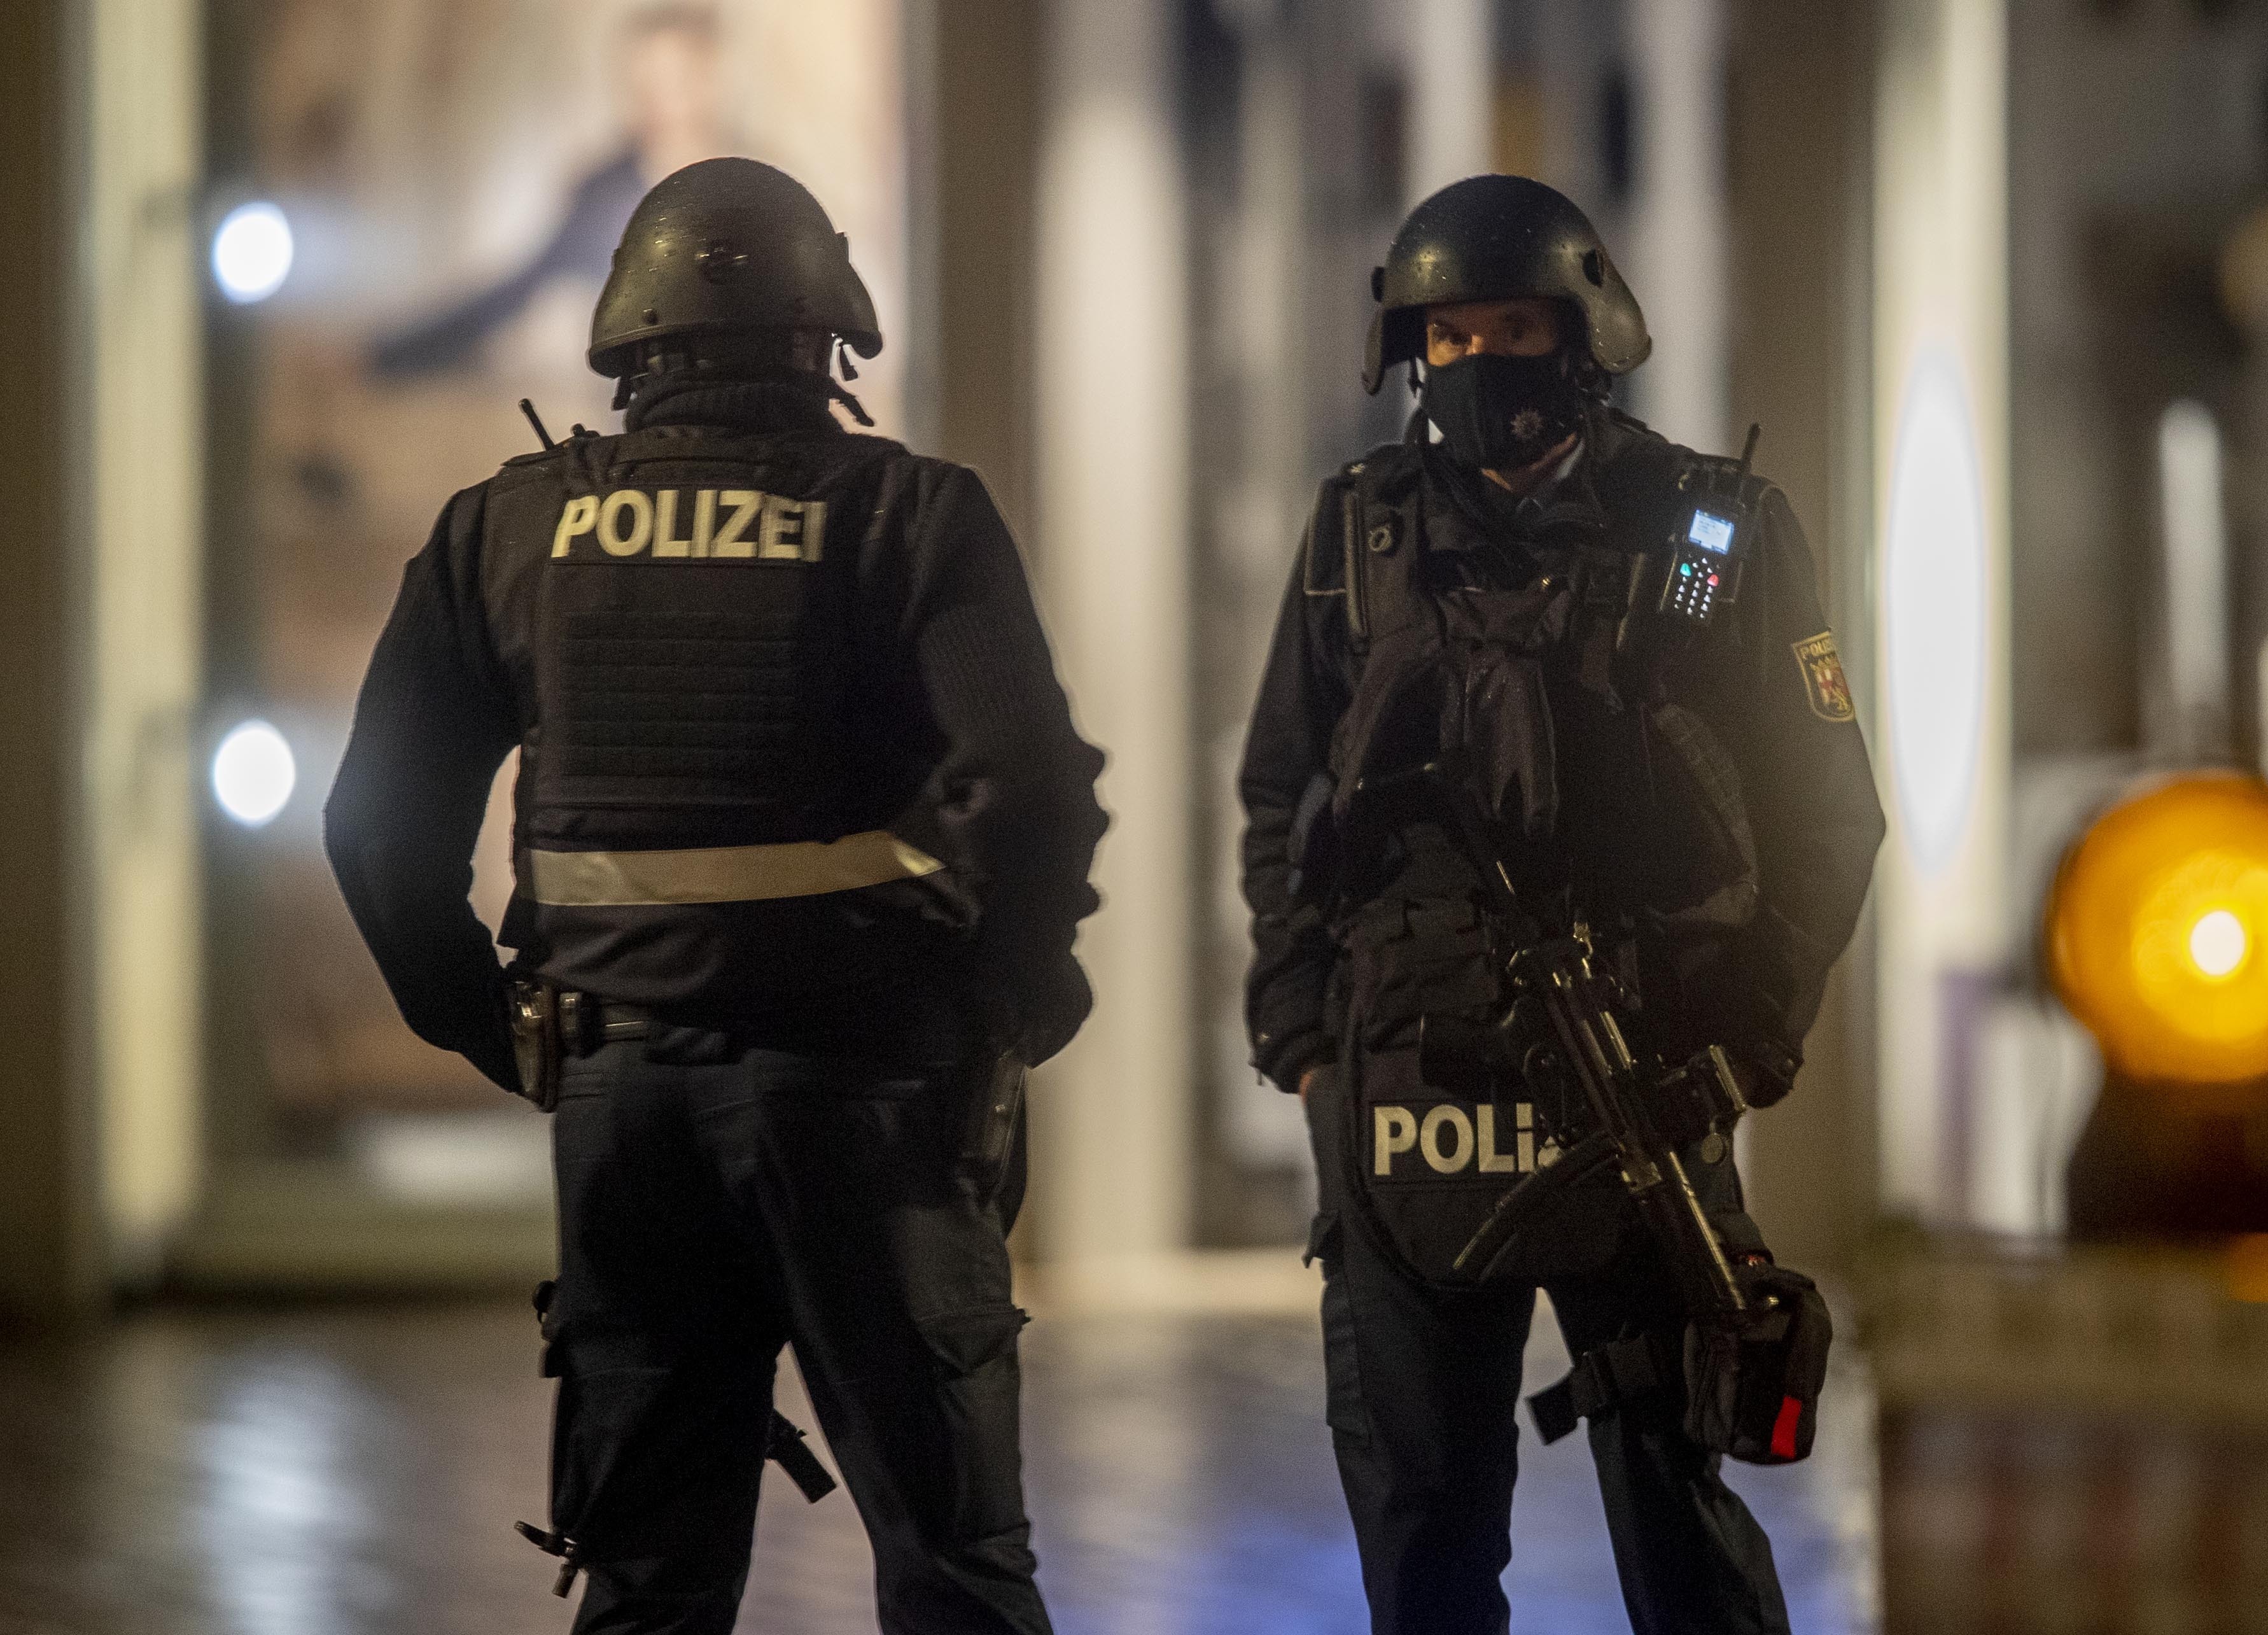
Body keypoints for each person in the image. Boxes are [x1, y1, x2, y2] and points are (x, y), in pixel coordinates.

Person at [326, 156, 1103, 1635]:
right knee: (952, 1567)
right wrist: (1008, 1002)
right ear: (827, 339)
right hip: (871, 1101)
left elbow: (375, 833)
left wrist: (500, 1033)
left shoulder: (508, 528)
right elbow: (1032, 792)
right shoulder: (908, 514)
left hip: (620, 1107)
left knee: (647, 1581)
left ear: (628, 339)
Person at [1238, 174, 1885, 1635]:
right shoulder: (1357, 537)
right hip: (1405, 1091)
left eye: (1510, 331)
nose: (1476, 364)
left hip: (1639, 1081)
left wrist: (1745, 1041)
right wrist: (1304, 1035)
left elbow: (1826, 813)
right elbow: (1282, 794)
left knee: (1676, 1521)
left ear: (1582, 334)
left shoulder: (1712, 533)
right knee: (1421, 1540)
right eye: (1447, 339)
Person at [369, 2, 732, 378]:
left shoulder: (751, 187)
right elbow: (510, 296)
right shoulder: (603, 196)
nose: (657, 102)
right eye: (643, 86)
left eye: (674, 82)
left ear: (710, 78)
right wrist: (379, 357)